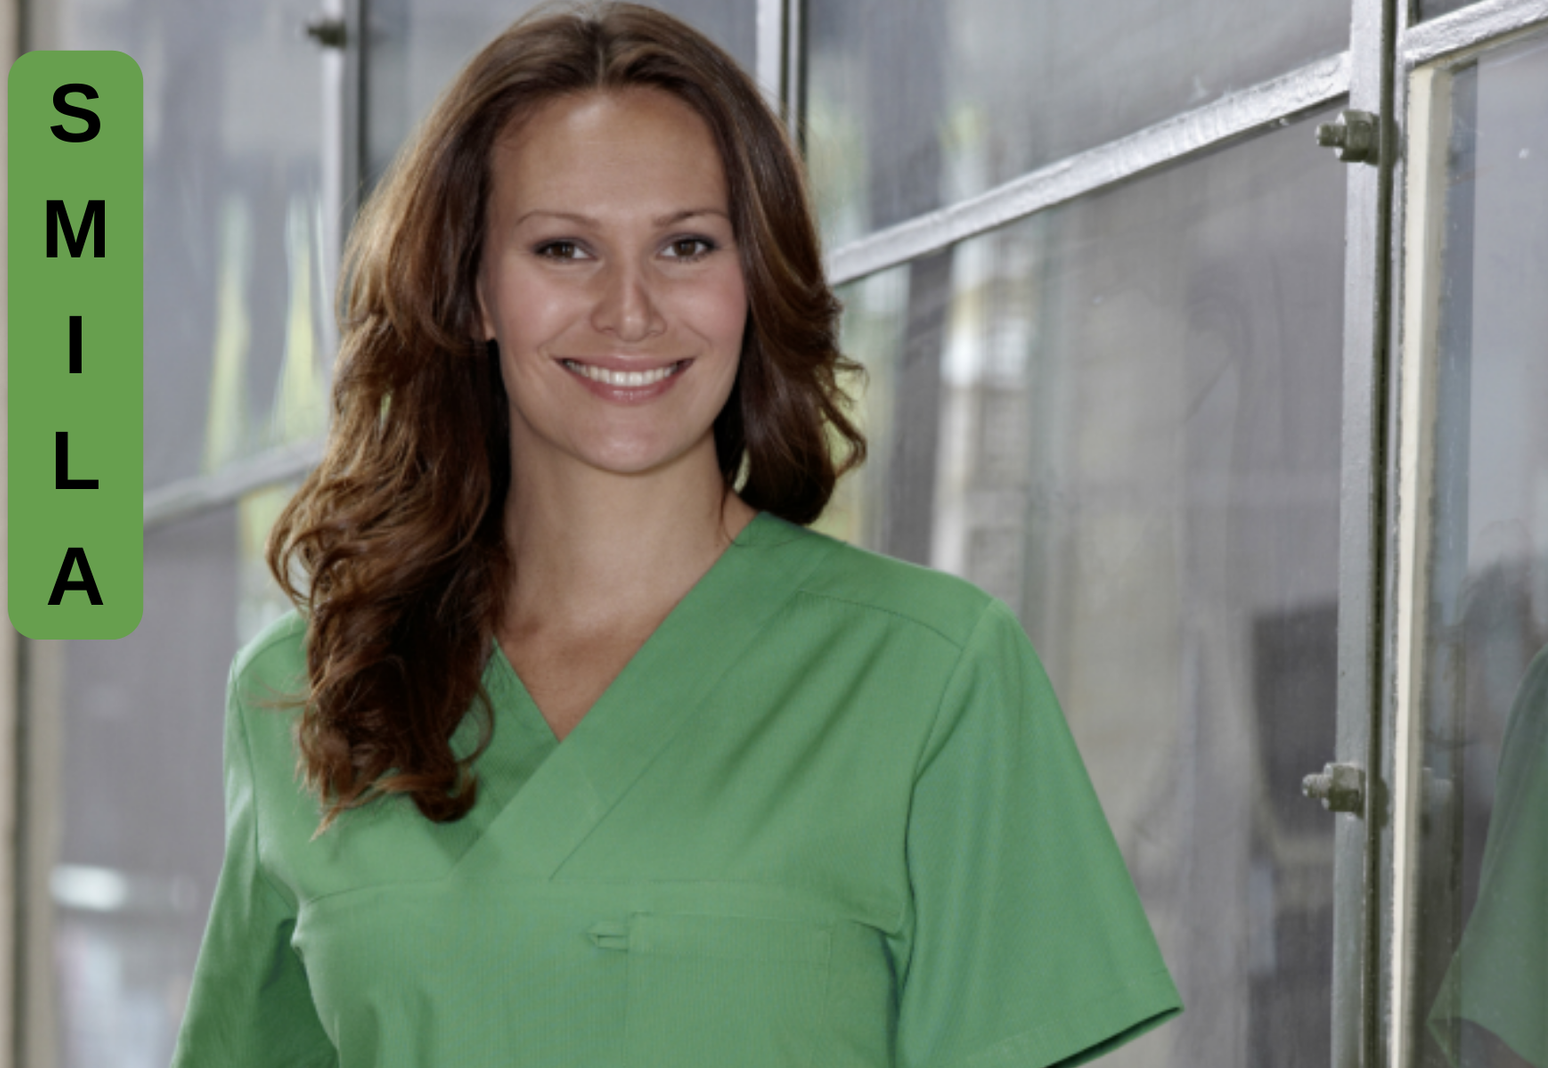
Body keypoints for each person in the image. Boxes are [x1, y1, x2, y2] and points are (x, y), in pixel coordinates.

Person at [170, 4, 1182, 1066]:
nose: (630, 309)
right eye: (563, 248)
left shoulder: (933, 674)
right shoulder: (309, 693)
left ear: (754, 279)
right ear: (473, 290)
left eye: (686, 245)